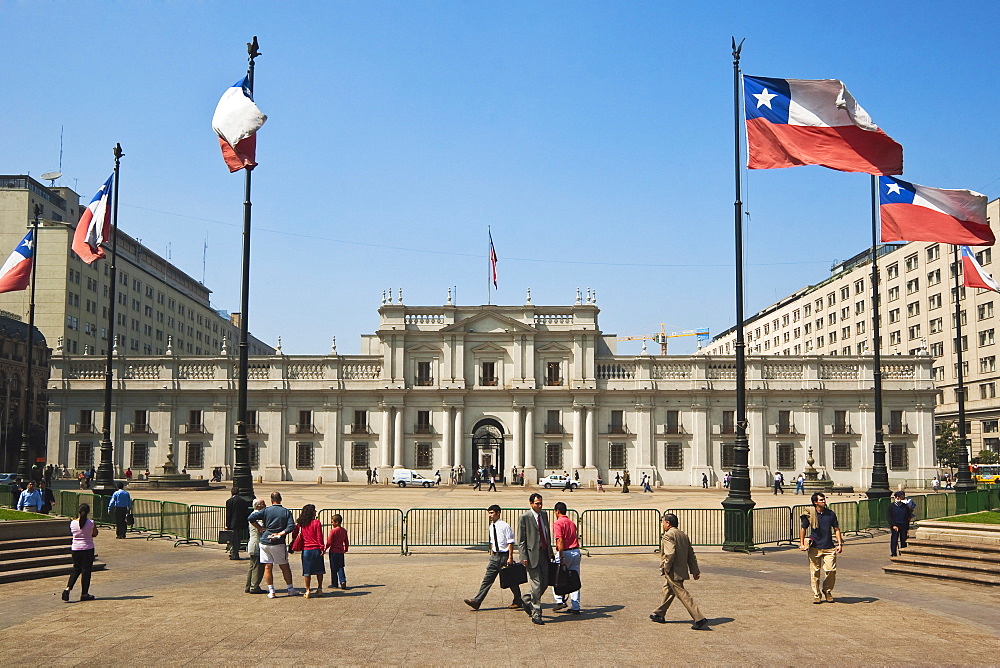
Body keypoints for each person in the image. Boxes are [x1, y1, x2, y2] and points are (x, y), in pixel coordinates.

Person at [649, 513, 708, 630]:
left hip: (673, 569)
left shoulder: (668, 535)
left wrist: (666, 566)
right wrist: (694, 570)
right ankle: (660, 613)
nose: (662, 524)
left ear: (668, 523)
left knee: (682, 593)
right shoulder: (683, 535)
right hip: (681, 569)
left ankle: (699, 618)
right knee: (668, 590)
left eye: (662, 522)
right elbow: (691, 554)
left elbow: (670, 553)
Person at [464, 504, 524, 611]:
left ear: (498, 513)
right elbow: (492, 541)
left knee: (511, 580)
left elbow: (510, 542)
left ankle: (518, 599)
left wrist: (510, 557)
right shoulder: (491, 527)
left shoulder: (505, 526)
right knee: (487, 580)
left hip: (504, 556)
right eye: (489, 513)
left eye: (492, 513)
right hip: (495, 556)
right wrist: (492, 552)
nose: (490, 516)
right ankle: (477, 601)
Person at [248, 491, 298, 598]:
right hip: (278, 542)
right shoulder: (285, 512)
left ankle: (271, 590)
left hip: (265, 540)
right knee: (284, 566)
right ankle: (290, 588)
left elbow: (251, 518)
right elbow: (290, 527)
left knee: (267, 566)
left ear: (271, 500)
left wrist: (260, 528)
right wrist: (280, 533)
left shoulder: (266, 510)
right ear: (281, 499)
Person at [799, 492, 843, 604]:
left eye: (824, 499)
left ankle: (827, 590)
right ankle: (816, 595)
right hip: (815, 547)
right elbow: (803, 529)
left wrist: (840, 544)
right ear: (815, 502)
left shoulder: (830, 514)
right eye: (821, 500)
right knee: (815, 573)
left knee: (831, 570)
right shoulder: (810, 514)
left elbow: (836, 529)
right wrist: (802, 543)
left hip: (829, 547)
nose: (824, 501)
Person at [517, 493, 554, 626]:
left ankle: (527, 598)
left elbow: (546, 533)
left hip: (544, 554)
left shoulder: (544, 515)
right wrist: (523, 556)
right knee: (536, 583)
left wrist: (550, 551)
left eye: (541, 503)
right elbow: (521, 540)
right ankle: (536, 613)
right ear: (531, 504)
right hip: (532, 555)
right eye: (537, 503)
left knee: (544, 583)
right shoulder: (525, 517)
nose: (539, 506)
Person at [62, 503, 98, 602]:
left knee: (76, 569)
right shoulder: (91, 523)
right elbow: (94, 534)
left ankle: (68, 588)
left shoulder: (73, 523)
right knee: (86, 571)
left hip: (76, 548)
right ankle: (84, 593)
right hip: (87, 548)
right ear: (88, 512)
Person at [551, 501, 582, 614]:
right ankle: (575, 606)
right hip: (576, 551)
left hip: (566, 552)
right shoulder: (571, 523)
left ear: (557, 511)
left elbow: (560, 540)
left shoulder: (558, 523)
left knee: (556, 576)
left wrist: (561, 556)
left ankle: (559, 600)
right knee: (574, 578)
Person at [290, 504, 325, 598]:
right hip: (316, 549)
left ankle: (308, 589)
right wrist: (322, 547)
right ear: (311, 512)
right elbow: (319, 536)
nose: (316, 512)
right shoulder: (316, 523)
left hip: (306, 549)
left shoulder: (300, 524)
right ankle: (320, 588)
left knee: (307, 571)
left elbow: (294, 535)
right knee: (319, 570)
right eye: (314, 510)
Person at [245, 498, 267, 594]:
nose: (265, 505)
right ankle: (254, 586)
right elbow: (261, 528)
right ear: (258, 506)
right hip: (256, 543)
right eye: (263, 504)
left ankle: (249, 586)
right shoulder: (257, 516)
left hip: (253, 542)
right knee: (257, 567)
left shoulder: (255, 514)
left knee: (252, 566)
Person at [325, 513, 350, 589]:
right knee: (340, 567)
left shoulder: (333, 531)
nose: (331, 523)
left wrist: (324, 549)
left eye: (332, 522)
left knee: (333, 568)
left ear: (336, 522)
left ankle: (334, 583)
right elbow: (346, 541)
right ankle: (342, 580)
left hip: (333, 551)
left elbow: (329, 542)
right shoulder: (344, 530)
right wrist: (346, 548)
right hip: (340, 551)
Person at [225, 486, 251, 560]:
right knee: (238, 539)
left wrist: (227, 524)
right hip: (240, 523)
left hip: (232, 523)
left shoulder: (229, 501)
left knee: (232, 539)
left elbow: (228, 514)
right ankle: (234, 553)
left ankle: (234, 554)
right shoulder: (243, 501)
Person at [887, 490, 914, 557]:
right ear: (895, 498)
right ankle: (893, 553)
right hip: (895, 525)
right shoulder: (891, 507)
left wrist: (907, 527)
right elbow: (889, 517)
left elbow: (908, 516)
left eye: (900, 497)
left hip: (903, 525)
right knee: (894, 540)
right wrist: (893, 525)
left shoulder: (905, 506)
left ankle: (903, 552)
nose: (898, 498)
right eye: (897, 497)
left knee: (903, 539)